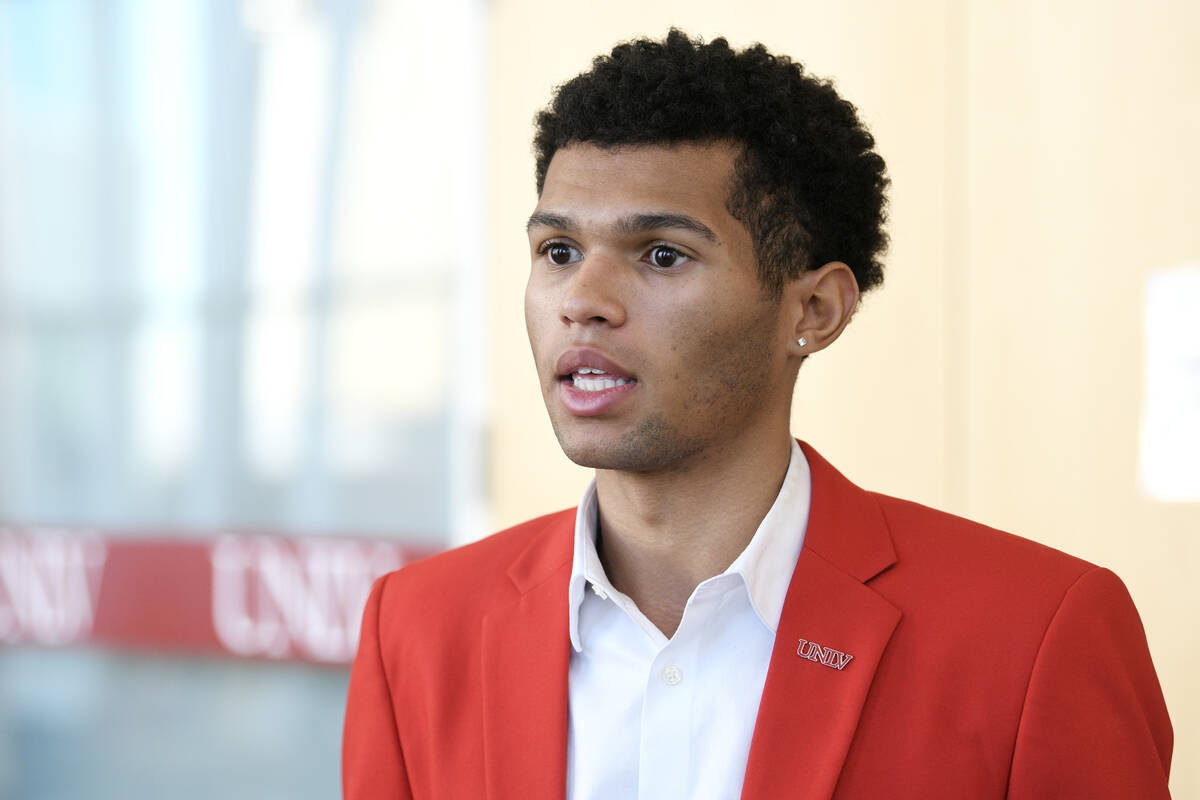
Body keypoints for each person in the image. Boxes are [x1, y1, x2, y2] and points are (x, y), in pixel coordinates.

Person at [342, 30, 1173, 799]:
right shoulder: (414, 629)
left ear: (813, 309)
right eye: (558, 252)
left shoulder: (1033, 637)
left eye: (662, 255)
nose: (582, 301)